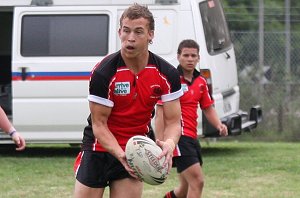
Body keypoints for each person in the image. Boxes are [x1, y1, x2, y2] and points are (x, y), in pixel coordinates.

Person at [73, 3, 183, 198]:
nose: (130, 38)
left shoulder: (166, 74)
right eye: (126, 31)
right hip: (98, 147)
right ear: (119, 32)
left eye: (138, 32)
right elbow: (99, 124)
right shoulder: (103, 73)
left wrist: (170, 143)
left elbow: (174, 121)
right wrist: (120, 153)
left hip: (136, 149)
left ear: (151, 35)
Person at [155, 39, 228, 198]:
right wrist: (160, 140)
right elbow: (160, 112)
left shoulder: (201, 81)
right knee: (198, 182)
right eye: (186, 55)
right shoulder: (170, 80)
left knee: (185, 188)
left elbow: (208, 107)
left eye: (193, 55)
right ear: (178, 57)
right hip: (178, 138)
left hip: (192, 138)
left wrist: (219, 125)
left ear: (198, 58)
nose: (190, 59)